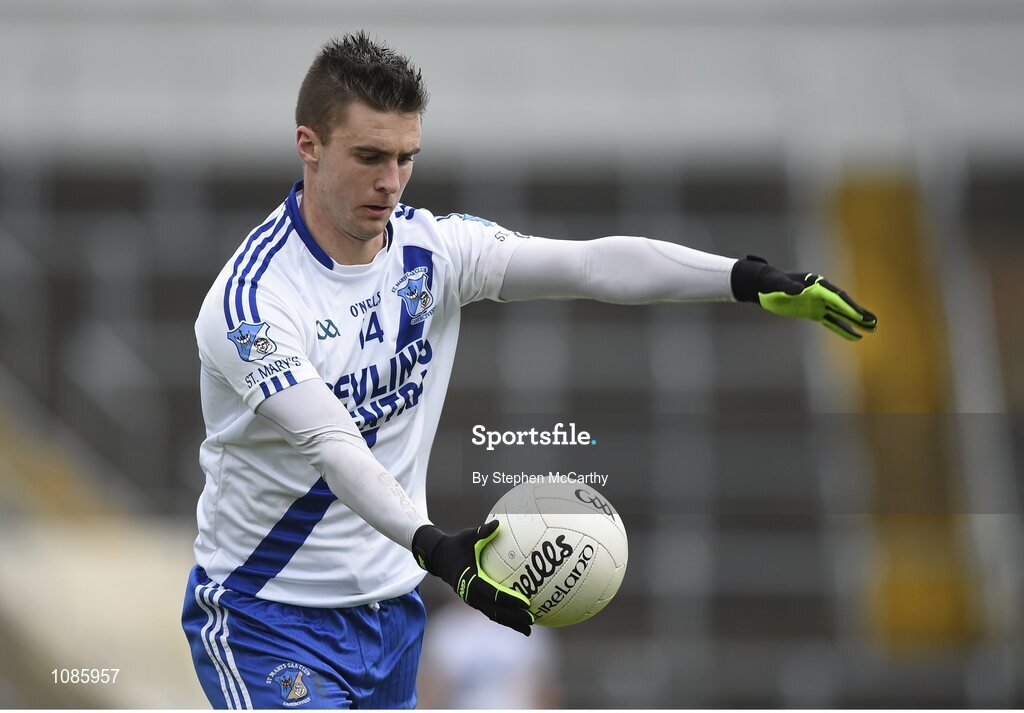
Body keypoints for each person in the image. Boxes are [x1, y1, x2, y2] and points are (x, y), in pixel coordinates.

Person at [181, 31, 877, 710]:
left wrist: (745, 278)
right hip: (265, 614)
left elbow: (592, 264)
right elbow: (332, 444)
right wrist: (438, 547)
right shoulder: (252, 302)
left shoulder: (434, 250)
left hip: (388, 609)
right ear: (308, 144)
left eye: (405, 158)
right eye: (369, 156)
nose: (390, 182)